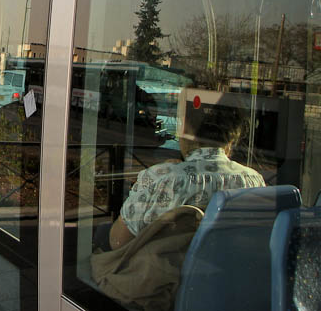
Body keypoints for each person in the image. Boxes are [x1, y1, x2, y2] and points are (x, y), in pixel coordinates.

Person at [100, 104, 266, 252]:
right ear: (231, 137)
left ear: (185, 128)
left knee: (101, 233)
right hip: (223, 279)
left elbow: (119, 242)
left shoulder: (164, 177)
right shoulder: (254, 180)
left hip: (166, 281)